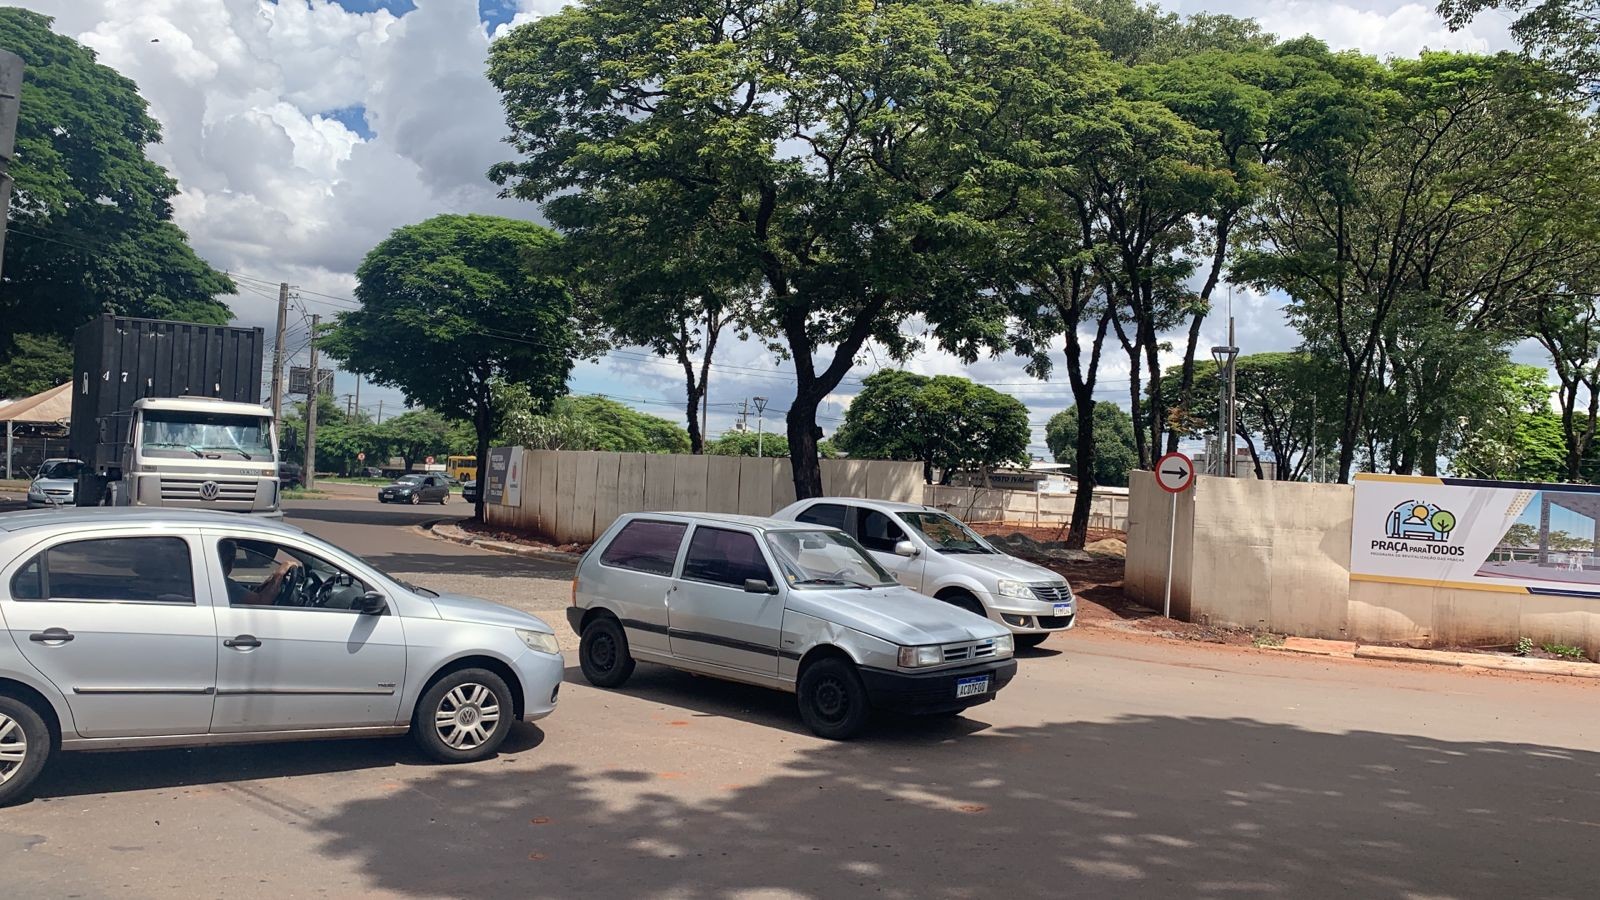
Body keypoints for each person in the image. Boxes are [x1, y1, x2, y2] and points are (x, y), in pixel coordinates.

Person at [218, 538, 301, 606]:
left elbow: (253, 595)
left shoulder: (219, 583)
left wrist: (271, 582)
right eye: (232, 558)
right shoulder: (226, 586)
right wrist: (280, 574)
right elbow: (262, 602)